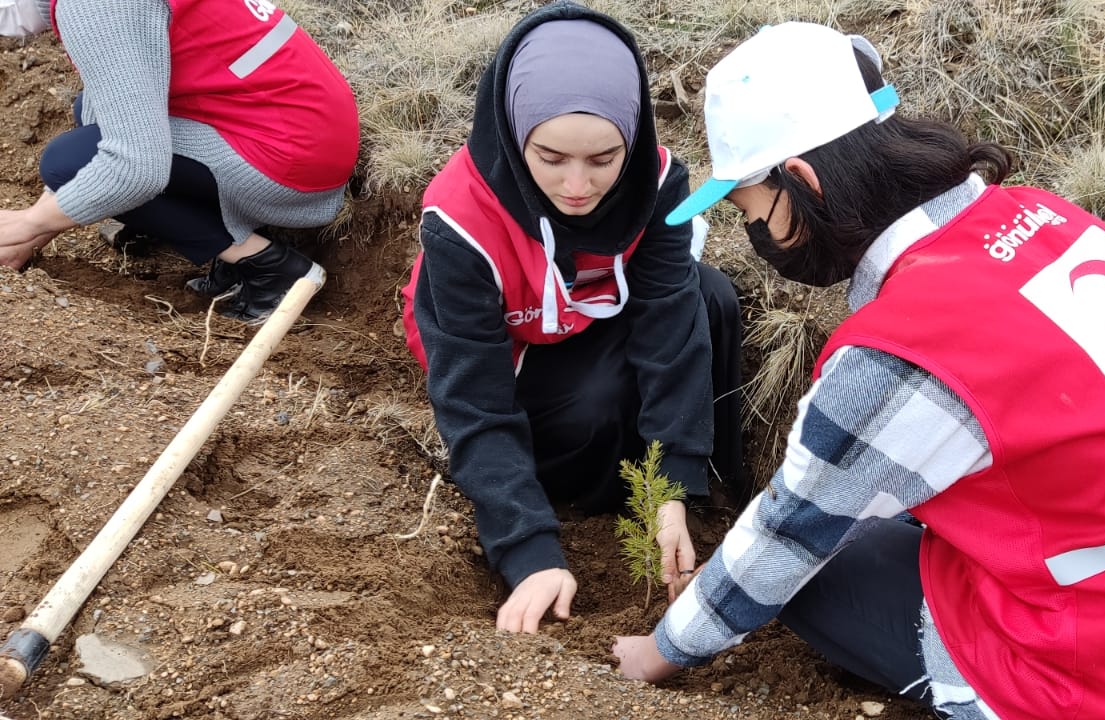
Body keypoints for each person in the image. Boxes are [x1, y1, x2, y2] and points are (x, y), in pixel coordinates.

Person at [611, 23, 1105, 720]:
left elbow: (789, 533)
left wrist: (661, 650)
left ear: (803, 181)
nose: (759, 239)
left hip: (1104, 681)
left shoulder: (902, 352)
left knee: (808, 566)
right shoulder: (1045, 218)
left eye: (754, 214)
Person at [400, 2, 742, 636]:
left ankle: (699, 492)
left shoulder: (657, 182)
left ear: (633, 138)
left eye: (604, 159)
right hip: (513, 352)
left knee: (712, 298)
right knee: (596, 400)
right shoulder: (458, 220)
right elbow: (474, 401)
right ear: (514, 129)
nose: (578, 186)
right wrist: (526, 552)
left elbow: (670, 329)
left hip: (584, 323)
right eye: (552, 159)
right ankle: (585, 499)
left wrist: (671, 486)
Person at [0, 0, 356, 323]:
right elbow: (103, 111)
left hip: (291, 163)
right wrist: (34, 236)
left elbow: (136, 170)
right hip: (312, 128)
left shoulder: (96, 7)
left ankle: (269, 266)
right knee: (90, 119)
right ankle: (230, 228)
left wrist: (26, 225)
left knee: (70, 160)